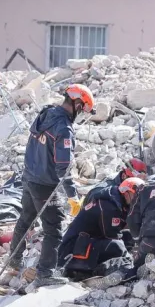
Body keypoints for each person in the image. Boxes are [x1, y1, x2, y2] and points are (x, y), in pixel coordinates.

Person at [8, 84, 95, 287]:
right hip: (45, 185)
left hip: (29, 177)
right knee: (53, 229)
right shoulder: (63, 129)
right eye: (82, 109)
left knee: (26, 219)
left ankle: (14, 258)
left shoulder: (46, 114)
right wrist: (73, 195)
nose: (81, 114)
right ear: (77, 103)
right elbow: (63, 167)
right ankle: (45, 273)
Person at [58, 177, 145, 280]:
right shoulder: (108, 207)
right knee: (117, 245)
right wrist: (132, 259)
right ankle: (102, 271)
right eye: (136, 196)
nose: (138, 200)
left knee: (128, 237)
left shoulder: (116, 202)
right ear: (126, 193)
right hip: (72, 252)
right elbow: (112, 236)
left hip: (86, 242)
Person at [81, 157, 147, 206]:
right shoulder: (104, 191)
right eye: (133, 182)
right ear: (124, 176)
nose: (135, 187)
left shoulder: (128, 184)